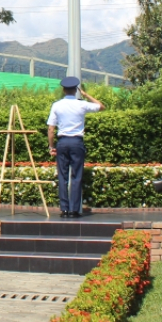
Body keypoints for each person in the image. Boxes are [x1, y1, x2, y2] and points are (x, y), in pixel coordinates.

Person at [47, 77, 104, 218]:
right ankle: (74, 210)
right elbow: (101, 106)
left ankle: (64, 209)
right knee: (76, 176)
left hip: (62, 141)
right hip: (77, 142)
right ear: (76, 90)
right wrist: (86, 95)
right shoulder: (82, 104)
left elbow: (51, 129)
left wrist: (51, 146)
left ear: (63, 90)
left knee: (62, 176)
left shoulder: (57, 105)